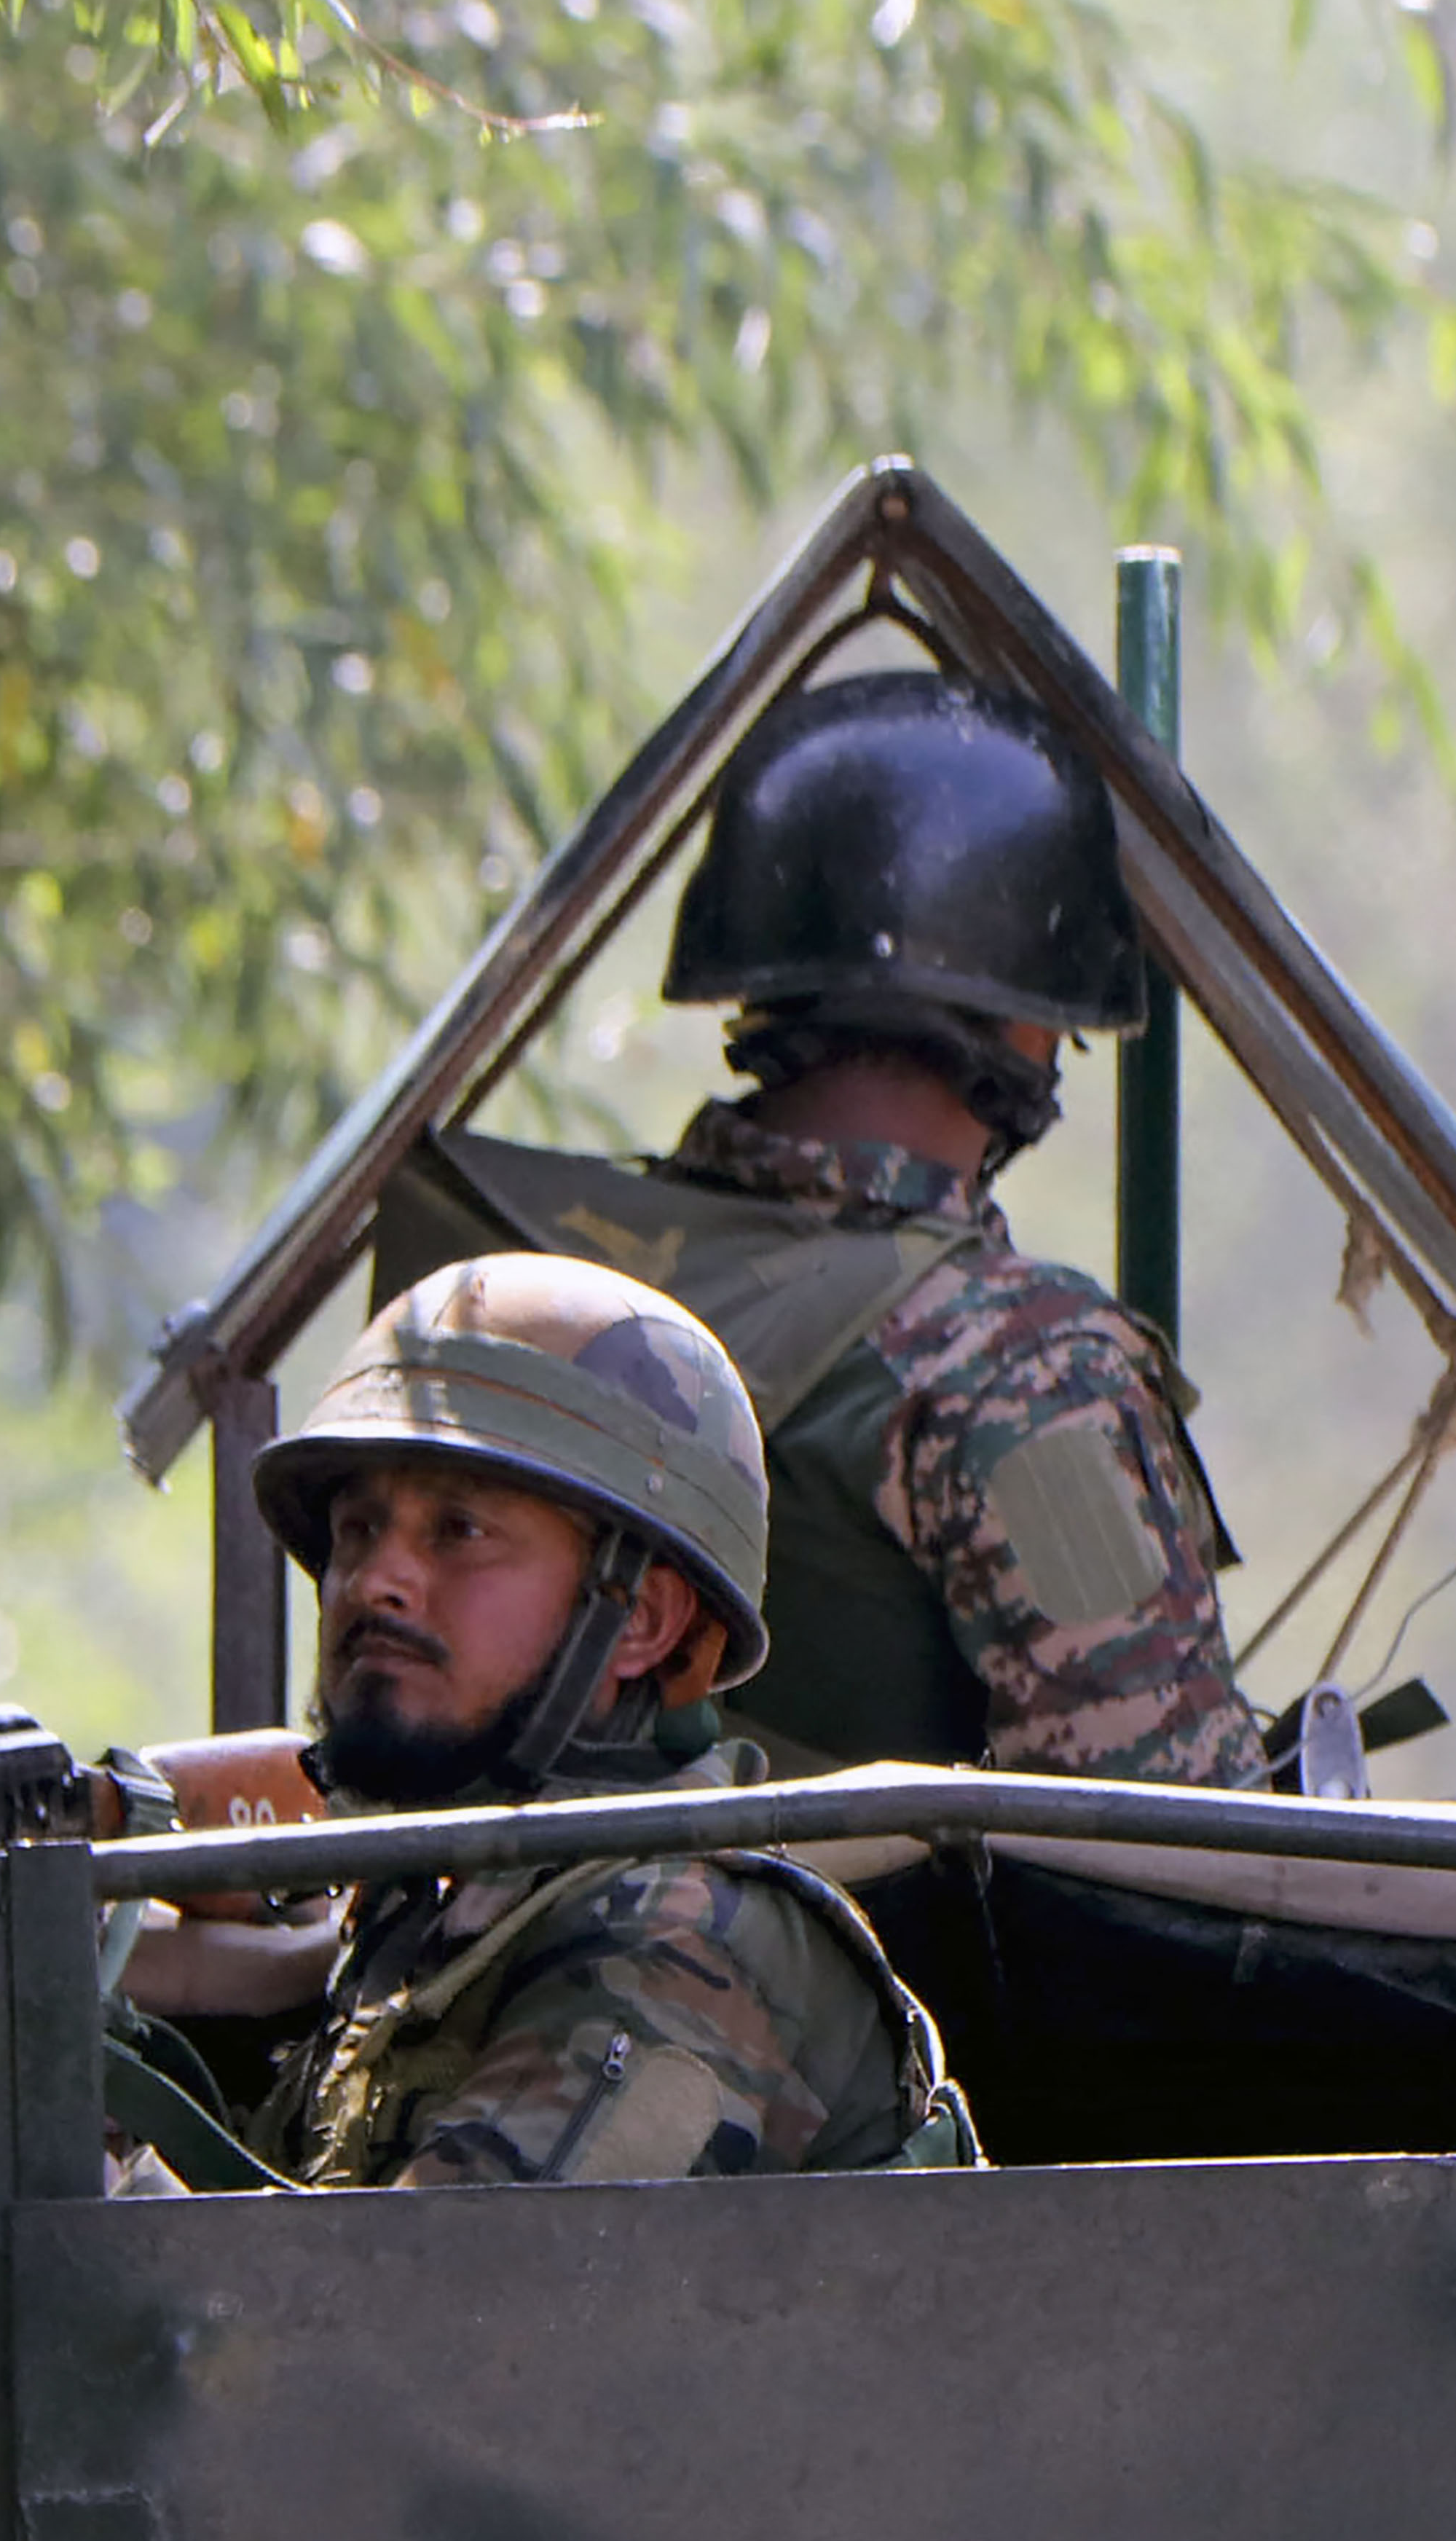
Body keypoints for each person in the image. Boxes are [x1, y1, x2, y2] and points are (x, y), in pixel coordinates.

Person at [420, 669, 1267, 1788]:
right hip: (853, 1963)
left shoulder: (519, 1276)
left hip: (486, 1945)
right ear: (1028, 1016)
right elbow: (1172, 1832)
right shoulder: (1019, 1365)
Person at [188, 1254, 956, 2190]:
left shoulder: (680, 1938)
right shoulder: (444, 1900)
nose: (376, 1580)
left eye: (458, 1531)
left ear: (641, 1620)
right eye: (357, 1529)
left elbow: (398, 2314)